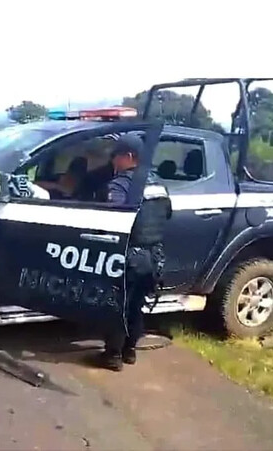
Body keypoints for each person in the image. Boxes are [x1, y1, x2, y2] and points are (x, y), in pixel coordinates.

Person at [98, 133, 171, 372]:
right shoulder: (158, 185)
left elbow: (113, 219)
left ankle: (112, 356)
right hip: (153, 258)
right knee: (136, 306)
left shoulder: (121, 185)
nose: (113, 162)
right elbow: (166, 215)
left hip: (128, 256)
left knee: (118, 306)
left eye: (115, 157)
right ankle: (129, 352)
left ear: (129, 157)